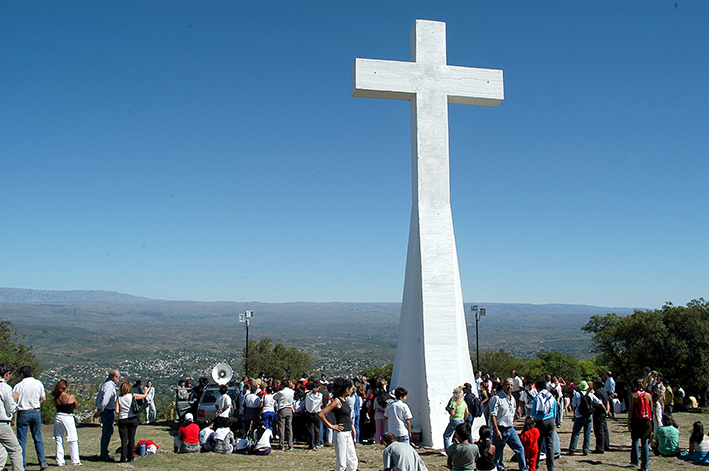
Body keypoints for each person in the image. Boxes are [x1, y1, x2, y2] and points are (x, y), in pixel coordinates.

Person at [12, 366, 48, 470]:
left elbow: (14, 399)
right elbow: (43, 398)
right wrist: (36, 404)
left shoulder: (18, 386)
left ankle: (22, 462)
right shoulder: (38, 383)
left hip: (23, 412)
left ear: (22, 374)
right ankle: (42, 461)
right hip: (35, 411)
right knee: (37, 437)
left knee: (22, 439)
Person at [319, 377, 358, 471]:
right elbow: (321, 414)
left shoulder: (346, 400)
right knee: (342, 463)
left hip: (348, 433)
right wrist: (331, 426)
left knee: (353, 461)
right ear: (346, 389)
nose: (352, 391)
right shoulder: (337, 401)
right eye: (351, 389)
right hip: (341, 433)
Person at [489, 378, 528, 471]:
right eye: (507, 384)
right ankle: (499, 468)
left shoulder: (512, 399)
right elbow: (493, 415)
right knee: (498, 453)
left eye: (511, 385)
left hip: (510, 429)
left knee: (520, 449)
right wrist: (496, 430)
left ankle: (524, 468)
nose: (509, 387)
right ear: (503, 386)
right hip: (500, 428)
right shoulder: (497, 398)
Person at [115, 379, 149, 462]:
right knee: (131, 438)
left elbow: (117, 411)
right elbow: (144, 396)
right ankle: (130, 457)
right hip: (132, 418)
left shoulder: (119, 398)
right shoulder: (132, 396)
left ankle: (123, 457)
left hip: (122, 419)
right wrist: (145, 390)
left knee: (123, 439)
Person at [567, 380, 603, 456]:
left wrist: (574, 415)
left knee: (576, 433)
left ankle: (572, 449)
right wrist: (605, 410)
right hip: (588, 415)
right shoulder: (590, 394)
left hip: (579, 415)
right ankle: (585, 450)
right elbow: (599, 402)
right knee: (587, 434)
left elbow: (574, 405)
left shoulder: (577, 394)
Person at [51, 379, 81, 466]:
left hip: (58, 417)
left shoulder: (56, 398)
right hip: (67, 417)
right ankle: (75, 460)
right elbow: (75, 405)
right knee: (73, 439)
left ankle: (60, 461)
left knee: (59, 440)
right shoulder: (70, 397)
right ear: (66, 387)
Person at [0, 364, 23, 471]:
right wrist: (14, 399)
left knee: (2, 450)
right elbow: (10, 408)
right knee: (15, 450)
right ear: (6, 374)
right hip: (2, 423)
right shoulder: (4, 387)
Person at [628, 378, 653, 471]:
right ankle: (645, 465)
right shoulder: (648, 395)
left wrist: (629, 421)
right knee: (645, 443)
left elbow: (631, 410)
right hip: (646, 421)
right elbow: (651, 409)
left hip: (636, 420)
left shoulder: (633, 395)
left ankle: (634, 460)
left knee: (635, 440)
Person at [531, 379, 556, 471]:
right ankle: (551, 466)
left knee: (538, 444)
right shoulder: (551, 397)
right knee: (550, 444)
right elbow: (555, 411)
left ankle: (536, 464)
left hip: (540, 421)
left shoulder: (537, 398)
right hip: (550, 421)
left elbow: (533, 412)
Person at [95, 369, 120, 462]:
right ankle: (104, 455)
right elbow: (105, 401)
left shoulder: (105, 385)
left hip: (106, 411)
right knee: (107, 433)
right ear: (114, 377)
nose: (119, 379)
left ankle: (104, 452)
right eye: (118, 377)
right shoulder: (109, 386)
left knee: (107, 433)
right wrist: (100, 411)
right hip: (107, 411)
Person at [274, 379, 295, 450]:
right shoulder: (292, 392)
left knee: (281, 427)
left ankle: (281, 444)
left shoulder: (281, 392)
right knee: (289, 427)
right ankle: (290, 444)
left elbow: (274, 397)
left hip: (282, 409)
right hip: (289, 409)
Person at [592, 378, 610, 453]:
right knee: (605, 429)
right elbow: (608, 401)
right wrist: (607, 410)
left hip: (599, 412)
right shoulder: (604, 391)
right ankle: (606, 445)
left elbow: (600, 402)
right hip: (604, 413)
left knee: (599, 429)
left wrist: (593, 403)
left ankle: (600, 447)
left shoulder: (597, 392)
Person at [305, 381, 324, 449]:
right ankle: (317, 443)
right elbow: (321, 403)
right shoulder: (320, 395)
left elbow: (306, 404)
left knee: (311, 429)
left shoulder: (308, 395)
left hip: (310, 412)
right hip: (317, 412)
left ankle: (311, 444)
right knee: (317, 429)